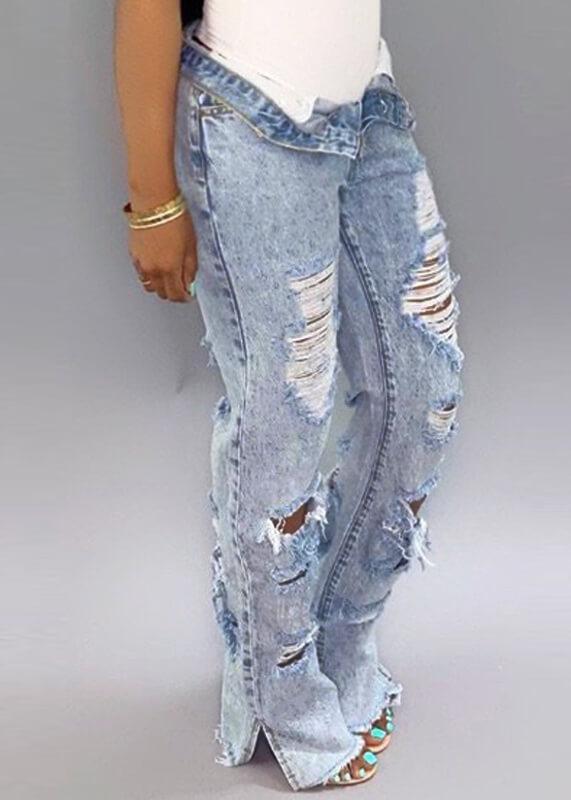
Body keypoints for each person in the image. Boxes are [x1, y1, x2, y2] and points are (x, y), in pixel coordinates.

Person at [114, 0, 464, 790]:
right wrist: (153, 197)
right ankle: (283, 698)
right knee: (283, 417)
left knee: (425, 392)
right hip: (250, 108)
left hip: (367, 103)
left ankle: (337, 639)